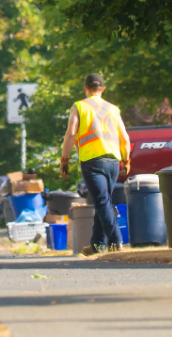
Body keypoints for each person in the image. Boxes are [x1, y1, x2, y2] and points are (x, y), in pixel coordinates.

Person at [61, 73, 132, 255]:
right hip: (112, 161)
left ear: (85, 88)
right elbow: (124, 138)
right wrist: (126, 159)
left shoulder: (79, 106)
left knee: (101, 202)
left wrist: (64, 159)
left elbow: (71, 134)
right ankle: (97, 245)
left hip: (92, 161)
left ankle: (116, 241)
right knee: (104, 201)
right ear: (102, 89)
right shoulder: (113, 109)